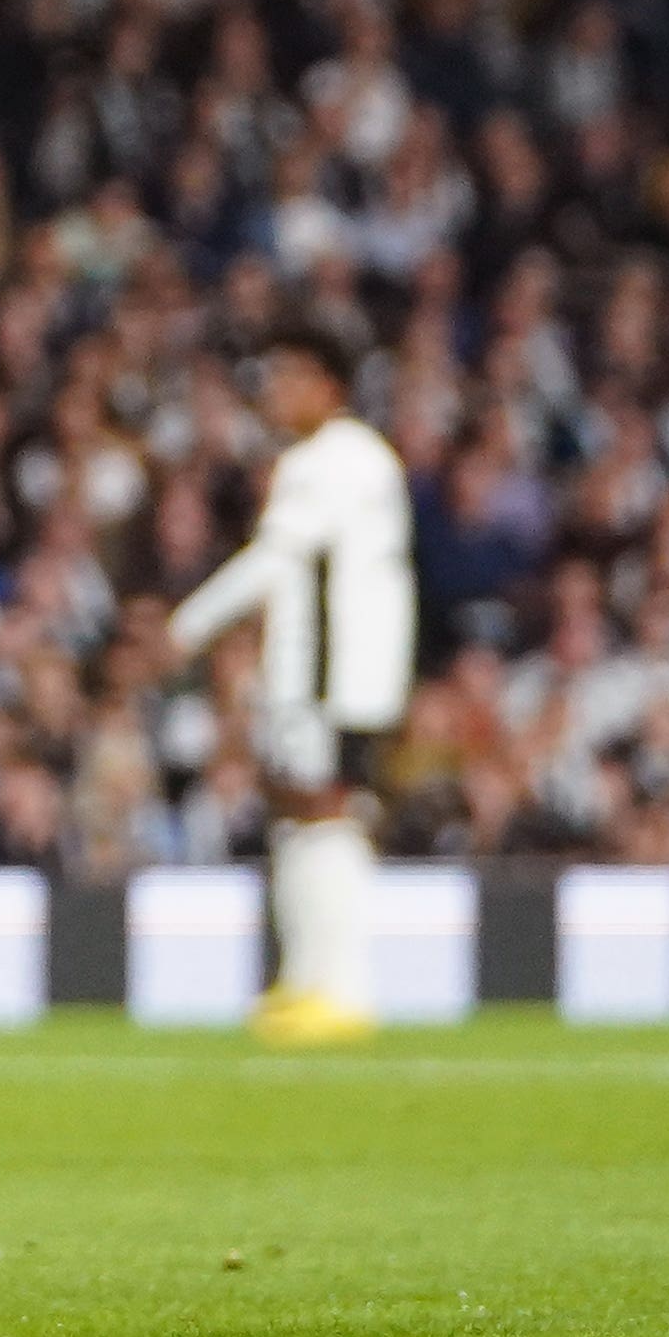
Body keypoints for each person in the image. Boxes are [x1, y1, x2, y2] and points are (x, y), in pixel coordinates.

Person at [166, 330, 416, 1046]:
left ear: (327, 385)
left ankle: (340, 987)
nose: (275, 392)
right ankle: (309, 980)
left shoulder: (325, 461)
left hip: (330, 674)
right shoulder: (367, 459)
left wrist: (187, 626)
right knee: (304, 818)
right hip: (342, 672)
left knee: (323, 813)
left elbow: (277, 559)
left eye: (289, 377)